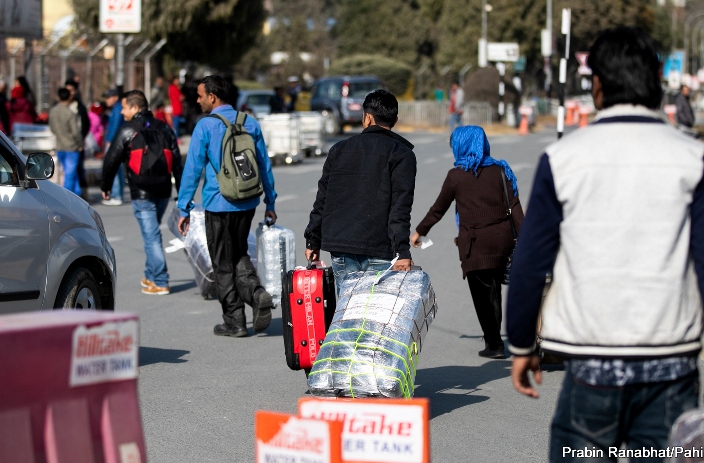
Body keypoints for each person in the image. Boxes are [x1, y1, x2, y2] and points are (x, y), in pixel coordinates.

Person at [506, 27, 704, 463]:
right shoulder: (692, 158)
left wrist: (522, 345)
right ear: (657, 83)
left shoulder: (563, 159)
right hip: (672, 367)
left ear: (596, 85)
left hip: (589, 366)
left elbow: (529, 262)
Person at [176, 75, 277, 337]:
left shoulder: (206, 126)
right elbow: (264, 165)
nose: (197, 101)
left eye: (200, 96)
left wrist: (183, 207)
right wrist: (270, 201)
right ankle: (256, 294)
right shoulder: (249, 122)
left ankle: (235, 322)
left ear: (212, 97)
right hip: (247, 202)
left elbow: (193, 170)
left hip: (219, 204)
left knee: (222, 263)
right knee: (239, 253)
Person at [410, 125, 523, 358]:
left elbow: (438, 209)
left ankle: (494, 344)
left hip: (475, 245)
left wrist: (419, 232)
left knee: (484, 295)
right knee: (494, 292)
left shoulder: (456, 176)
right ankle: (496, 339)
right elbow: (516, 209)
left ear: (461, 146)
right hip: (503, 242)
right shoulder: (501, 171)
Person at [304, 89, 416, 292]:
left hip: (341, 248)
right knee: (375, 318)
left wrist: (313, 241)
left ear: (367, 118)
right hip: (379, 250)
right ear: (395, 120)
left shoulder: (339, 150)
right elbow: (400, 207)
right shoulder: (402, 154)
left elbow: (323, 198)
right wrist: (402, 252)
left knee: (347, 315)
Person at [101, 91, 184, 295]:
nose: (122, 112)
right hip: (163, 190)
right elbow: (177, 161)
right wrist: (182, 192)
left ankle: (161, 280)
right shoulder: (164, 128)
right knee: (152, 233)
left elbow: (111, 159)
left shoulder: (127, 130)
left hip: (142, 192)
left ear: (136, 108)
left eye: (125, 107)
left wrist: (106, 186)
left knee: (152, 237)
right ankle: (150, 275)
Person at [49, 88, 82, 197]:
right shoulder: (70, 113)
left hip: (59, 145)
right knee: (70, 174)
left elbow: (52, 128)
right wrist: (80, 143)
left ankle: (77, 192)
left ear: (58, 97)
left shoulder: (53, 111)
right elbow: (76, 132)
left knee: (66, 171)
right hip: (71, 146)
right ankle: (68, 196)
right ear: (69, 97)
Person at [66, 79, 91, 194]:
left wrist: (80, 139)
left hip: (78, 143)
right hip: (65, 143)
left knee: (79, 169)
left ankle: (82, 193)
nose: (69, 93)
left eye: (71, 90)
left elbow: (86, 124)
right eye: (67, 90)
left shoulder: (80, 107)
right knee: (69, 171)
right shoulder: (61, 106)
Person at [102, 89, 126, 206]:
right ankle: (118, 193)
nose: (106, 100)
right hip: (117, 141)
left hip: (114, 141)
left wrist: (110, 140)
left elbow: (115, 125)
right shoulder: (115, 109)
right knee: (117, 169)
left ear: (115, 97)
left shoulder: (117, 109)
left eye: (108, 97)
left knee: (113, 168)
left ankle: (116, 194)